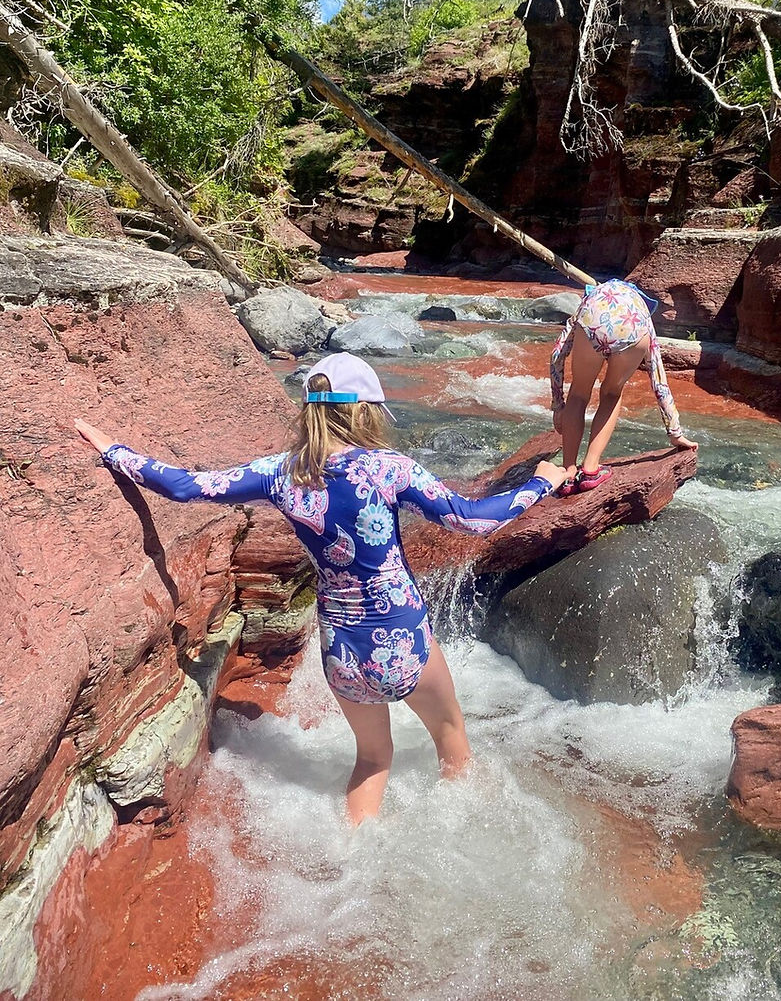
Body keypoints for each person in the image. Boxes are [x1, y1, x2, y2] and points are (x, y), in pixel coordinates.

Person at [75, 352, 566, 824]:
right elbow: (471, 521)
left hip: (339, 650)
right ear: (364, 411)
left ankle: (355, 862)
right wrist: (540, 484)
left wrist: (113, 450)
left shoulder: (279, 473)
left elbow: (186, 487)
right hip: (400, 638)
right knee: (451, 737)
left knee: (373, 759)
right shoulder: (389, 468)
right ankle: (467, 839)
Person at [550, 278, 698, 495]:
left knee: (579, 394)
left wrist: (558, 406)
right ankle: (590, 470)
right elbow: (658, 377)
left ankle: (568, 474)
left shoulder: (591, 298)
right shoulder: (643, 313)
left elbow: (557, 355)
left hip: (593, 320)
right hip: (633, 329)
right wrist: (675, 432)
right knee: (611, 393)